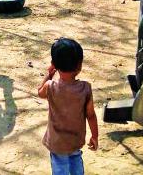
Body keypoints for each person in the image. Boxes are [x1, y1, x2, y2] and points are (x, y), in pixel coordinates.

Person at [38, 38, 98, 175]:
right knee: (76, 161)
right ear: (79, 66)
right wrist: (95, 136)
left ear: (54, 64)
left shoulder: (50, 87)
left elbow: (39, 93)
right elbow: (91, 115)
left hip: (57, 142)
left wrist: (49, 75)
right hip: (75, 140)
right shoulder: (85, 89)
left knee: (60, 168)